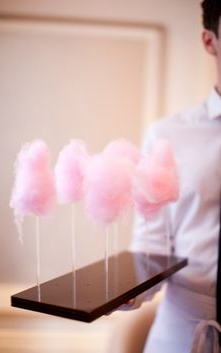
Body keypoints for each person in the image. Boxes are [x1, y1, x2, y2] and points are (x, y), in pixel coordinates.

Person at [130, 0, 221, 352]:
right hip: (181, 334)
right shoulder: (166, 135)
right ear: (209, 41)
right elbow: (152, 244)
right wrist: (131, 289)